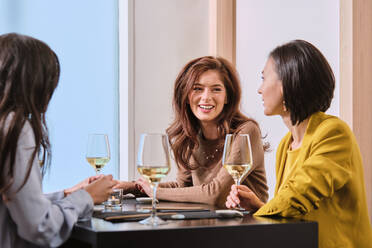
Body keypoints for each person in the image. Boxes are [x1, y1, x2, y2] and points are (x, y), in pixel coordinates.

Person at [225, 40, 372, 247]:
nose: (259, 89)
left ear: (287, 83)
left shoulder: (334, 133)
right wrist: (257, 206)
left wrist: (260, 211)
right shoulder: (286, 144)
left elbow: (296, 197)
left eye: (264, 78)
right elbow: (290, 212)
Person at [0, 33, 116, 248]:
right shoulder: (15, 129)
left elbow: (13, 203)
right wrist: (85, 198)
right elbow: (40, 227)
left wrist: (67, 194)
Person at [117, 56, 268, 207]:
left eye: (216, 89)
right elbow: (184, 188)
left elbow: (216, 194)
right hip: (208, 224)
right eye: (197, 88)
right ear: (186, 95)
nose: (206, 97)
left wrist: (155, 191)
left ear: (227, 96)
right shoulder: (189, 136)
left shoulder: (245, 131)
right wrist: (134, 187)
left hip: (247, 225)